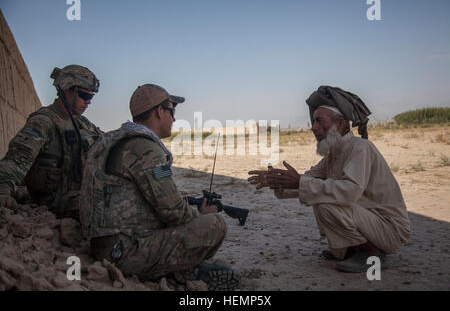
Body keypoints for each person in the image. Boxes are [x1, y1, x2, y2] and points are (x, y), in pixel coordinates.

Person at [79, 84, 240, 290]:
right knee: (215, 225)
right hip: (124, 252)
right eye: (172, 111)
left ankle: (180, 270)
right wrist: (200, 214)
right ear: (159, 112)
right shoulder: (146, 149)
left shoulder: (117, 139)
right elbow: (173, 212)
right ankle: (179, 271)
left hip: (105, 244)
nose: (174, 119)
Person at [248, 85, 411, 273]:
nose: (314, 128)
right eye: (313, 122)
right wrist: (279, 182)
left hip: (389, 228)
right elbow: (308, 181)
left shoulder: (361, 148)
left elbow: (349, 191)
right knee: (320, 194)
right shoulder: (333, 155)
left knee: (326, 203)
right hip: (371, 222)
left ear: (340, 124)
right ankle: (351, 249)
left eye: (319, 121)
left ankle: (371, 253)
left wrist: (300, 181)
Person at [0, 65, 102, 219]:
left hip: (79, 192)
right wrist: (3, 191)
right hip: (56, 200)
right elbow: (17, 160)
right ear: (67, 90)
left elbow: (106, 142)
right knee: (108, 207)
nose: (88, 102)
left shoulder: (82, 123)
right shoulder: (43, 122)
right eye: (84, 96)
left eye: (91, 97)